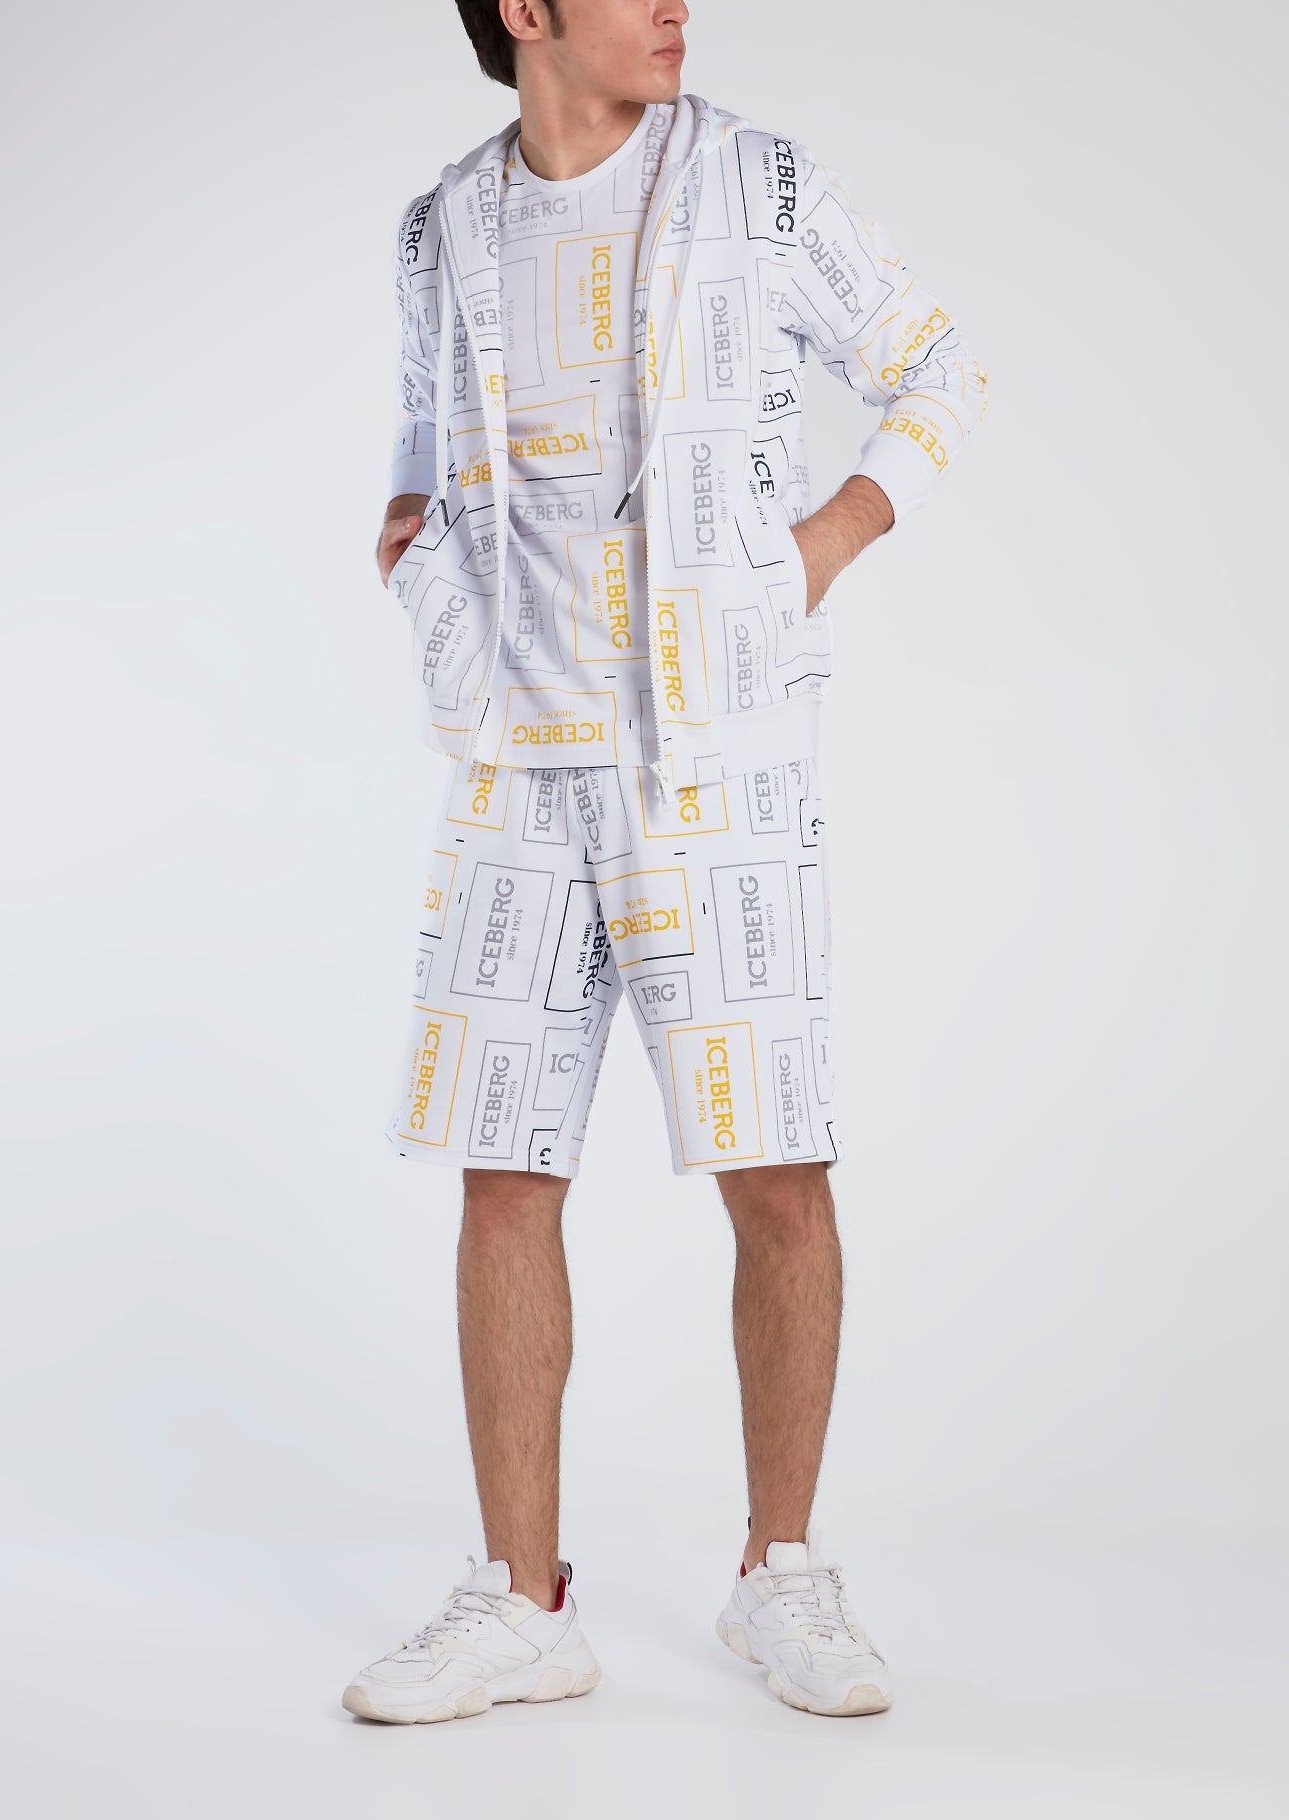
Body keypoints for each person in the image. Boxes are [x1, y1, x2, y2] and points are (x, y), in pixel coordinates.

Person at [343, 0, 987, 1725]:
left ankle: (783, 1572)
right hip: (511, 758)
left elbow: (939, 367)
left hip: (713, 763)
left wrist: (816, 551)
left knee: (773, 1168)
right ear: (525, 9)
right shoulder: (440, 225)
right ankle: (520, 1601)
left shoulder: (756, 183)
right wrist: (410, 551)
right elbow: (421, 435)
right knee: (501, 1172)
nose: (675, 3)